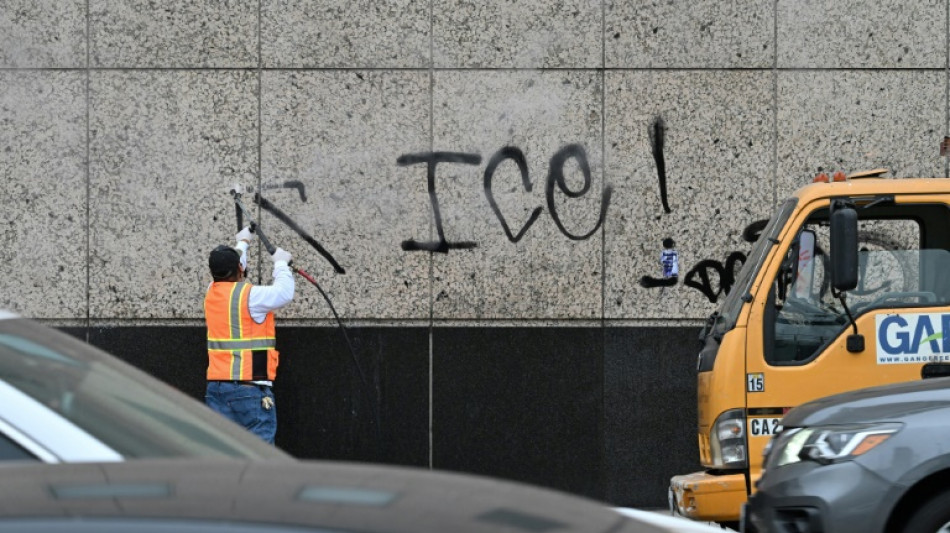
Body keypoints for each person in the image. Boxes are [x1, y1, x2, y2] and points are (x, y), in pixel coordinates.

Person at [203, 227, 294, 444]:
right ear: (240, 268)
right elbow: (284, 293)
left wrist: (243, 241)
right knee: (259, 459)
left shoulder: (211, 293)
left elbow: (234, 265)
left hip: (216, 390)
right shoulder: (250, 296)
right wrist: (281, 264)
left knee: (223, 454)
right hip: (248, 391)